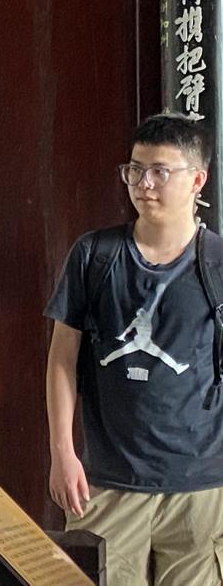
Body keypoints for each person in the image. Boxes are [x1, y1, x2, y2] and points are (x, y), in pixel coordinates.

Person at [45, 113, 223, 586]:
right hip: (107, 483)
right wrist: (62, 452)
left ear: (197, 180)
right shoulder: (94, 254)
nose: (144, 184)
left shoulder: (218, 263)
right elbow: (62, 359)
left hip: (201, 489)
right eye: (135, 170)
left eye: (160, 171)